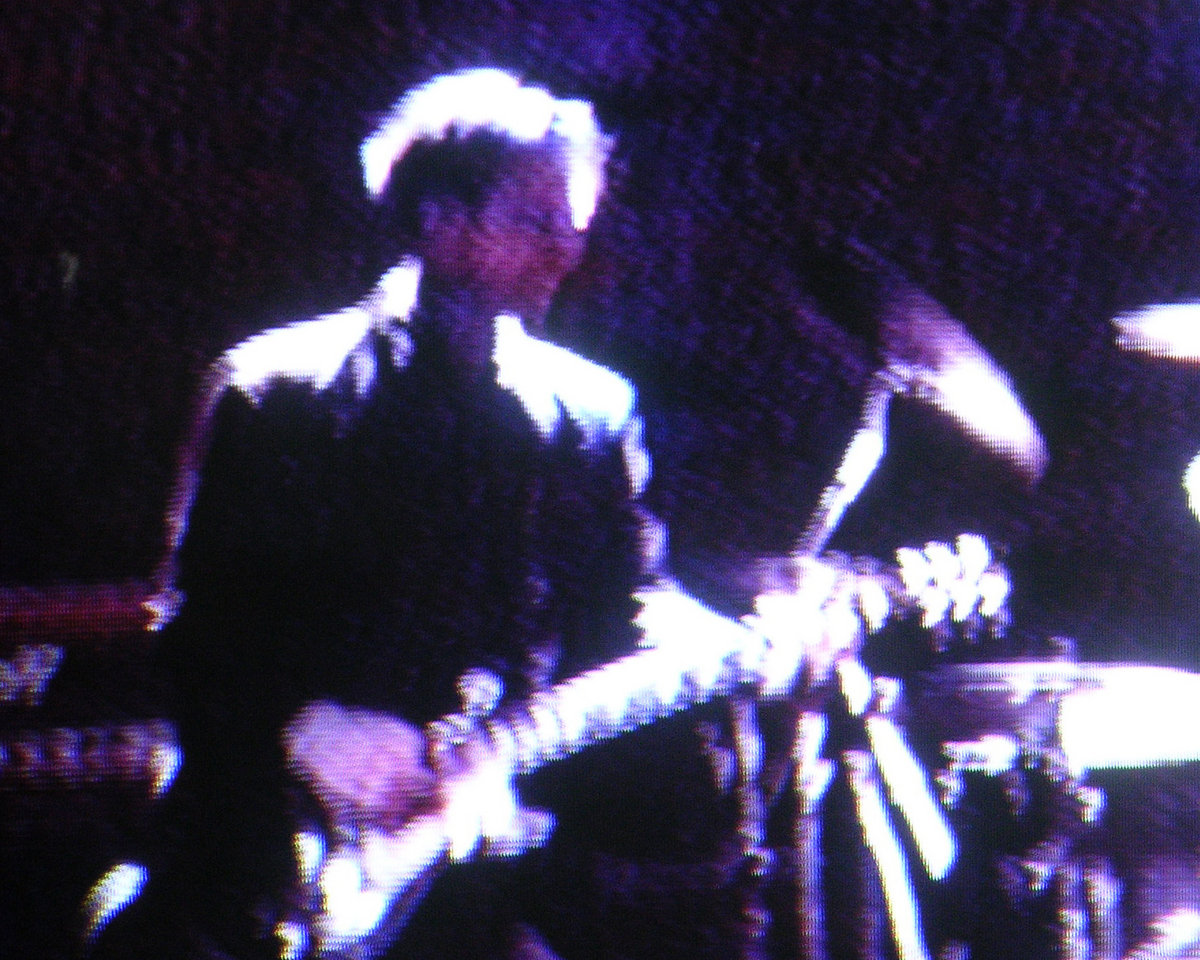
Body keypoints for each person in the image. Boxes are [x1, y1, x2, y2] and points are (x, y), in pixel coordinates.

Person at [93, 68, 697, 960]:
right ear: (439, 223)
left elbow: (628, 608)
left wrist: (734, 639)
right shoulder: (278, 391)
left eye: (574, 224)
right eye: (535, 221)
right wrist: (305, 728)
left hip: (486, 875)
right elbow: (194, 633)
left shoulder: (593, 412)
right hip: (271, 870)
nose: (566, 250)